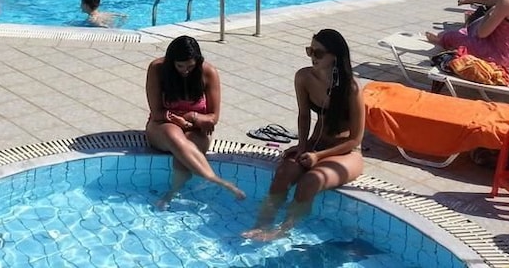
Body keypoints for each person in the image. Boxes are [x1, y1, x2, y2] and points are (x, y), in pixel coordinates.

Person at [244, 29, 365, 241]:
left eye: (318, 53)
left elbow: (355, 139)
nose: (312, 57)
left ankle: (282, 231)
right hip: (315, 144)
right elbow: (303, 115)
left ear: (335, 56)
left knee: (311, 181)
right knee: (284, 173)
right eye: (310, 51)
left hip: (346, 152)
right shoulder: (304, 77)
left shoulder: (351, 88)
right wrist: (302, 146)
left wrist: (318, 156)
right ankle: (261, 224)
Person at [145, 36, 245, 208]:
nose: (185, 71)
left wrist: (191, 117)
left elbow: (213, 117)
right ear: (171, 62)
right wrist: (177, 120)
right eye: (180, 66)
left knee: (185, 145)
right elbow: (157, 113)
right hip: (162, 125)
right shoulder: (157, 69)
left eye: (190, 66)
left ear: (197, 62)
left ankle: (172, 192)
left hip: (195, 129)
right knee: (173, 133)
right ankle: (213, 178)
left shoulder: (208, 72)